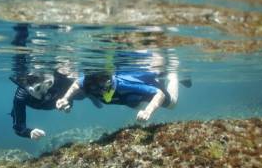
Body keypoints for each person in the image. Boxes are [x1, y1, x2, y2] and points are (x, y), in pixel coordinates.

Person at [56, 49, 186, 121]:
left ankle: (173, 75)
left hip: (145, 83)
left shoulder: (122, 84)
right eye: (97, 82)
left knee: (172, 104)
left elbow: (160, 94)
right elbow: (77, 84)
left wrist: (148, 111)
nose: (102, 86)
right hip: (129, 98)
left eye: (106, 80)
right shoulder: (88, 82)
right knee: (133, 102)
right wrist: (65, 99)